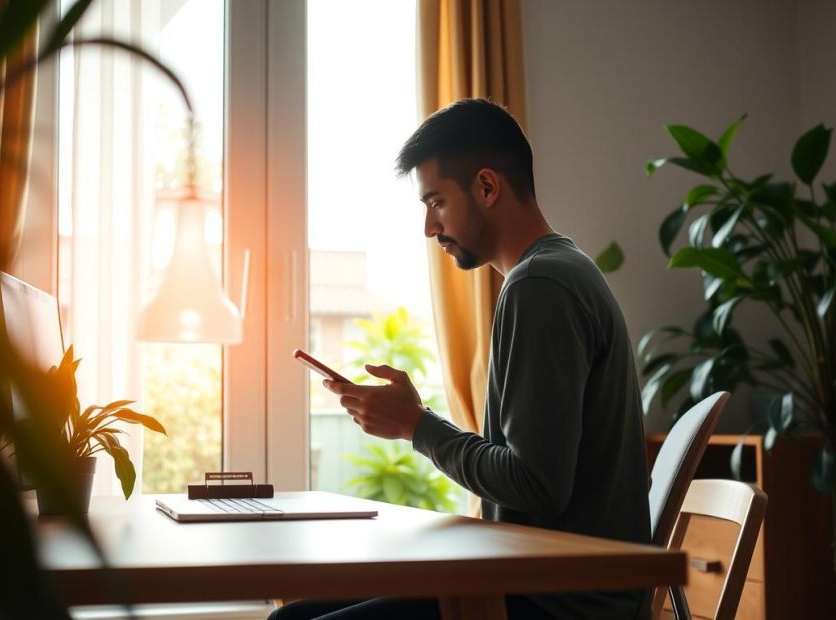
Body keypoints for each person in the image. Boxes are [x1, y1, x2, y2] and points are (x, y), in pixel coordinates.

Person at [269, 99, 651, 619]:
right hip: (542, 582)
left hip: (558, 603)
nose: (429, 227)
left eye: (437, 203)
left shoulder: (540, 285)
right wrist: (415, 422)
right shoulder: (556, 272)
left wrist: (415, 426)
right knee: (292, 615)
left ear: (487, 187)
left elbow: (535, 485)